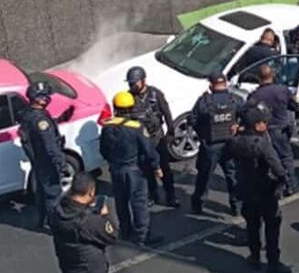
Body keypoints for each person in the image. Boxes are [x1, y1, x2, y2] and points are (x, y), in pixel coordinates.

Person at [228, 104, 291, 273]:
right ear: (257, 125)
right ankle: (273, 263)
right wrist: (283, 182)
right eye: (264, 123)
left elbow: (227, 157)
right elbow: (278, 168)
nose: (266, 125)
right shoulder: (262, 144)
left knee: (252, 226)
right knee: (272, 228)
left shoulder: (235, 141)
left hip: (246, 190)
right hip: (265, 191)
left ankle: (254, 257)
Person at [100, 92, 164, 246]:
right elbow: (148, 150)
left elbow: (103, 150)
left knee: (121, 202)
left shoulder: (107, 126)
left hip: (116, 169)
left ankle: (125, 230)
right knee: (139, 203)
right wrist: (156, 166)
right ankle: (142, 235)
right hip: (133, 170)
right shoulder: (136, 127)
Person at [126, 66, 180, 209]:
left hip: (157, 138)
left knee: (165, 170)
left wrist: (171, 131)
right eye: (130, 83)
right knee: (146, 170)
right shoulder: (128, 97)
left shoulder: (155, 94)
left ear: (143, 80)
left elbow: (167, 113)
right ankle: (153, 195)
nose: (132, 86)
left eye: (134, 83)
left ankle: (171, 196)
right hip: (140, 141)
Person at [190, 72, 244, 215]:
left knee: (204, 176)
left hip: (210, 146)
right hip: (231, 145)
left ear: (211, 85)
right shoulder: (235, 100)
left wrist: (203, 134)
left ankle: (198, 204)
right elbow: (248, 117)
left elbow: (193, 120)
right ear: (226, 83)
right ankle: (236, 206)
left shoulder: (204, 101)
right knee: (233, 177)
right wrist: (238, 128)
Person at [17, 81, 66, 231]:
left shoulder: (27, 114)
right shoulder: (41, 121)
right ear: (39, 98)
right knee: (53, 195)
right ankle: (55, 225)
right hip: (46, 162)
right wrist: (61, 163)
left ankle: (41, 220)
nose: (48, 99)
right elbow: (50, 144)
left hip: (37, 161)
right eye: (45, 96)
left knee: (41, 192)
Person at [247, 65, 299, 193]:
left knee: (265, 160)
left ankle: (268, 186)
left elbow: (248, 114)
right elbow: (294, 105)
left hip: (263, 131)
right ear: (273, 75)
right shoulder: (283, 90)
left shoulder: (255, 95)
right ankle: (291, 185)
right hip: (281, 128)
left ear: (259, 78)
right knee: (285, 157)